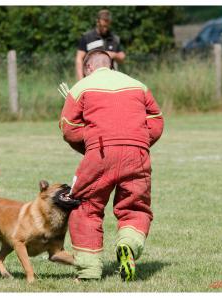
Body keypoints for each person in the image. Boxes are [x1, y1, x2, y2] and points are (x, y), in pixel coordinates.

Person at [59, 49, 163, 281]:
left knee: (86, 207)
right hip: (137, 153)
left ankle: (88, 271)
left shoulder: (81, 87)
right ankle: (128, 244)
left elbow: (68, 127)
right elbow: (155, 121)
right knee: (135, 208)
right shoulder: (138, 85)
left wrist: (89, 145)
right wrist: (140, 143)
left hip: (100, 153)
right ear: (111, 65)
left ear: (88, 68)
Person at [75, 9, 126, 80]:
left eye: (107, 26)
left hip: (110, 79)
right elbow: (79, 58)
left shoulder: (114, 38)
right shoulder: (87, 37)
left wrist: (113, 55)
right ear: (97, 22)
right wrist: (81, 80)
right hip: (91, 79)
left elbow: (122, 57)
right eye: (103, 26)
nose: (105, 28)